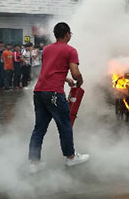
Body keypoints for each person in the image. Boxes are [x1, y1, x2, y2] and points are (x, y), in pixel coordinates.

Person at [28, 22, 89, 173]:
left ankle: (34, 164)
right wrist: (78, 81)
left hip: (39, 92)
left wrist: (65, 79)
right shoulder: (71, 50)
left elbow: (51, 70)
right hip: (54, 93)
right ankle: (70, 157)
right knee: (65, 125)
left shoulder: (47, 49)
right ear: (67, 34)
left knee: (39, 128)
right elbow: (75, 73)